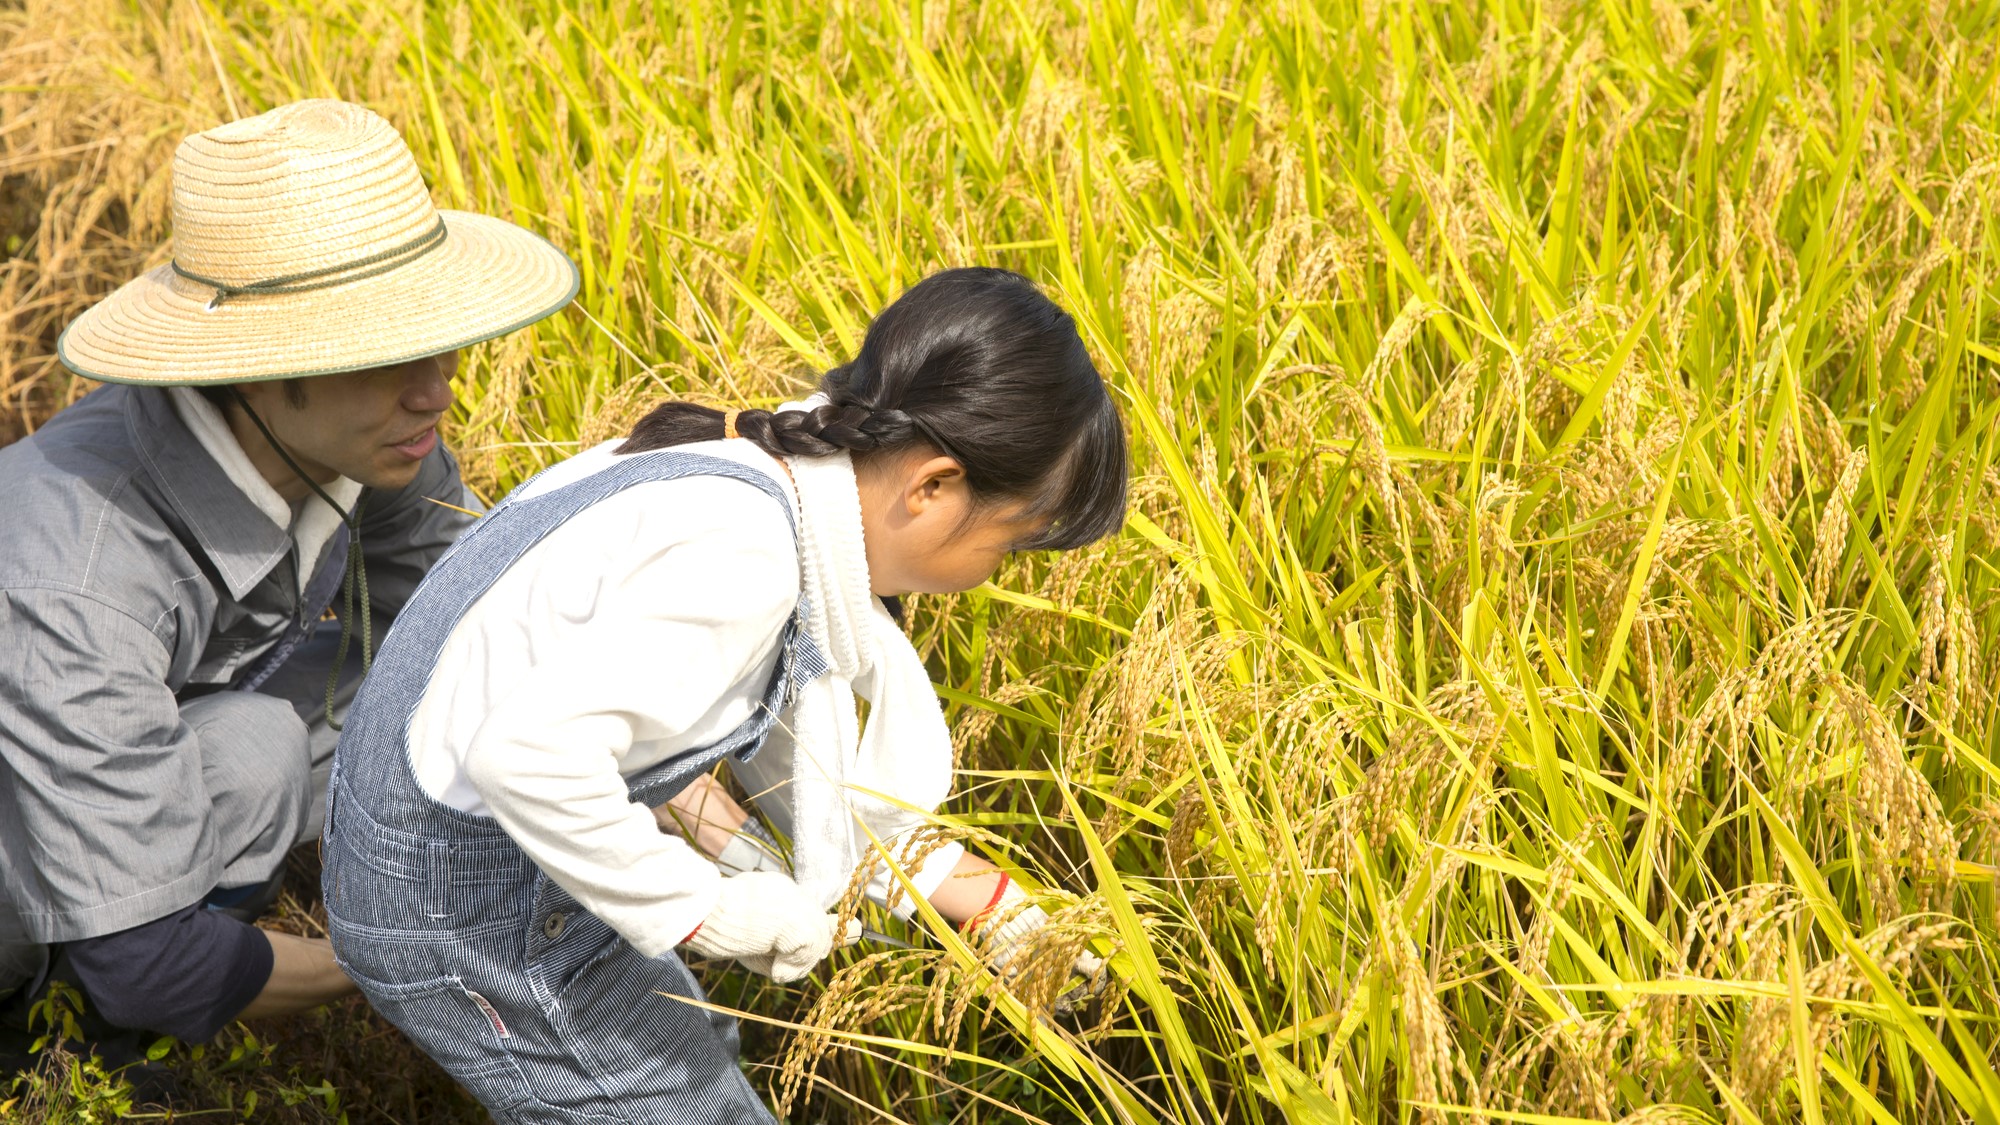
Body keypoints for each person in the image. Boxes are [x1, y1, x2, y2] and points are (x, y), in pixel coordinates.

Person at [321, 266, 1128, 1121]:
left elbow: (797, 755)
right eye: (1008, 548)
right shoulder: (747, 561)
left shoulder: (751, 456)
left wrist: (995, 901)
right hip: (464, 908)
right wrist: (706, 910)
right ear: (933, 485)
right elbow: (526, 756)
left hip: (445, 839)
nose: (989, 580)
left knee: (699, 1041)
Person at [0, 98, 579, 1083]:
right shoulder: (74, 581)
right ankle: (64, 1056)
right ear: (255, 373)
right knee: (143, 963)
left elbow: (490, 629)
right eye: (383, 356)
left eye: (437, 342)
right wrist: (425, 963)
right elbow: (148, 966)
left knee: (282, 735)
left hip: (113, 768)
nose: (435, 389)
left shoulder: (360, 444)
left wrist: (649, 786)